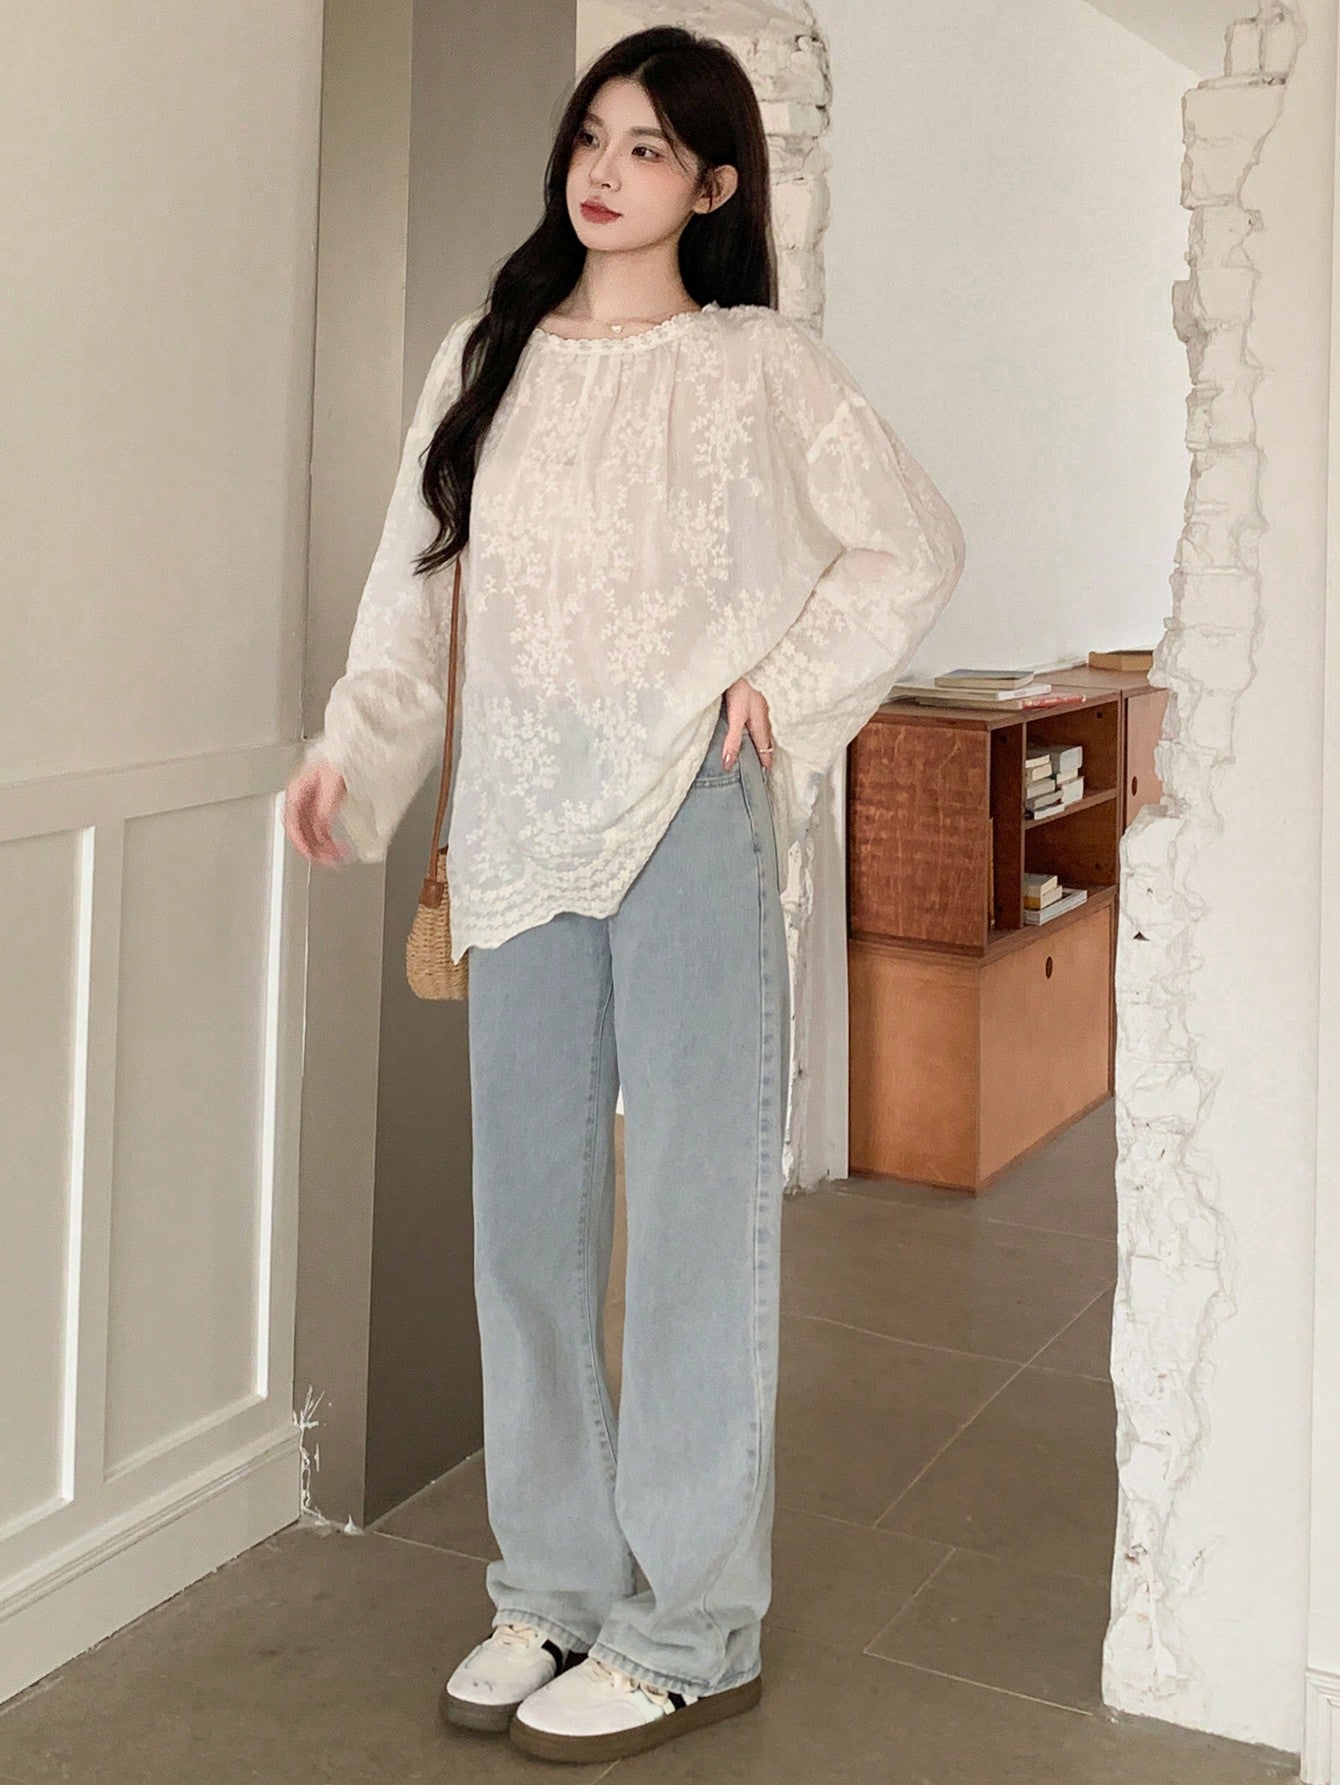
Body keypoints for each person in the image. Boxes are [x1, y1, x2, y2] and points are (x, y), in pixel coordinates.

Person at [284, 24, 965, 1767]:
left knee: (694, 1238)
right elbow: (412, 592)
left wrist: (784, 689)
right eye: (594, 133)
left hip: (688, 821)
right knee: (526, 1230)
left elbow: (912, 543)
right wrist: (353, 757)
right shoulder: (486, 355)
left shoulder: (757, 367)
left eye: (650, 146)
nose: (605, 168)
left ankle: (691, 1627)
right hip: (516, 822)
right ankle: (556, 1585)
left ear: (714, 183)